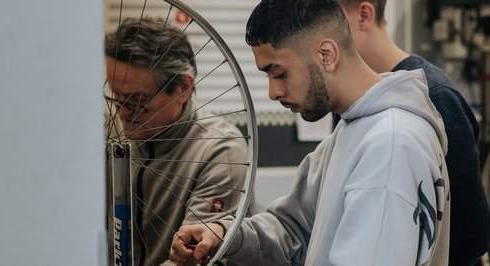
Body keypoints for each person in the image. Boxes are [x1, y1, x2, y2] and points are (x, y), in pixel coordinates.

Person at [170, 0, 450, 265]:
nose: (273, 92)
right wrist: (226, 235)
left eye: (279, 73)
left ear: (326, 54)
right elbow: (293, 232)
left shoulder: (388, 145)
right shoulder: (355, 129)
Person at [338, 1, 490, 265]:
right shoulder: (350, 102)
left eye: (328, 16)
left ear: (364, 14)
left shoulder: (437, 98)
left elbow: (472, 233)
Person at [104, 16, 252, 266]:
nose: (123, 112)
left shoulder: (219, 149)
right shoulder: (108, 131)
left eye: (138, 102)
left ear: (183, 88)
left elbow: (193, 259)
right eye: (116, 98)